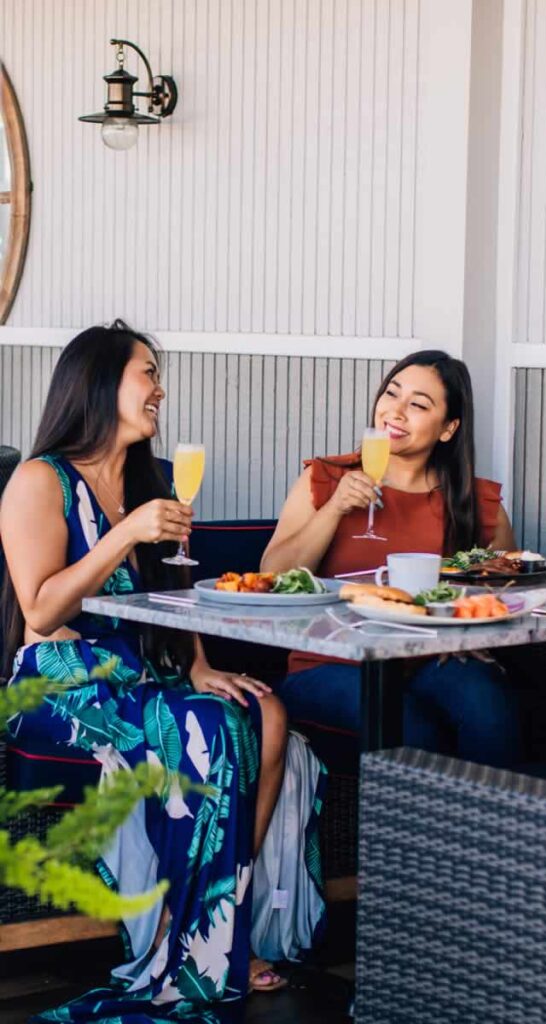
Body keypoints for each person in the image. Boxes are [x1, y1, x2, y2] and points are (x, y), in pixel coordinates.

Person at [0, 322, 325, 1022]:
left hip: (142, 670)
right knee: (203, 727)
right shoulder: (40, 480)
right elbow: (41, 606)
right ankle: (179, 949)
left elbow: (175, 594)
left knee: (263, 713)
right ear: (99, 382)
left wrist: (202, 665)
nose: (160, 389)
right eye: (147, 373)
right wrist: (123, 533)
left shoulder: (156, 482)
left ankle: (215, 933)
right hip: (61, 679)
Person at [262, 349, 522, 769]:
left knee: (487, 703)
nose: (395, 411)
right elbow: (271, 575)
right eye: (391, 393)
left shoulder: (476, 504)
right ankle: (412, 834)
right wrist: (334, 510)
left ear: (448, 428)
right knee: (407, 724)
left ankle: (495, 832)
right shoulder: (327, 479)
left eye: (418, 405)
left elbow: (502, 592)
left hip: (429, 659)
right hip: (329, 662)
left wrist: (472, 635)